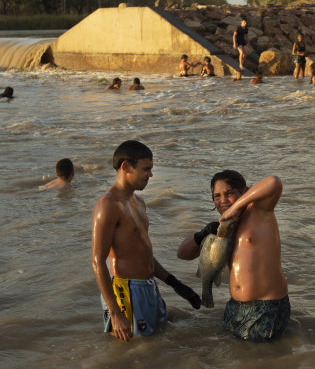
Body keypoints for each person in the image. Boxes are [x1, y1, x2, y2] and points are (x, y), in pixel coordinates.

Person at [91, 140, 201, 341]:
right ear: (126, 167)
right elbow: (97, 261)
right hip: (126, 290)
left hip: (149, 286)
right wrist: (115, 312)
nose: (150, 175)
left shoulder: (138, 202)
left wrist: (175, 284)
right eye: (146, 169)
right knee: (132, 351)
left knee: (156, 345)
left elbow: (142, 253)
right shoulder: (108, 205)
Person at [177, 170, 289, 342]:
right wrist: (202, 234)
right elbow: (182, 254)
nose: (223, 200)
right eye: (217, 196)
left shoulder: (260, 211)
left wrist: (234, 208)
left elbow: (274, 182)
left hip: (266, 308)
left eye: (229, 193)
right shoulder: (223, 229)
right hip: (235, 307)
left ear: (245, 191)